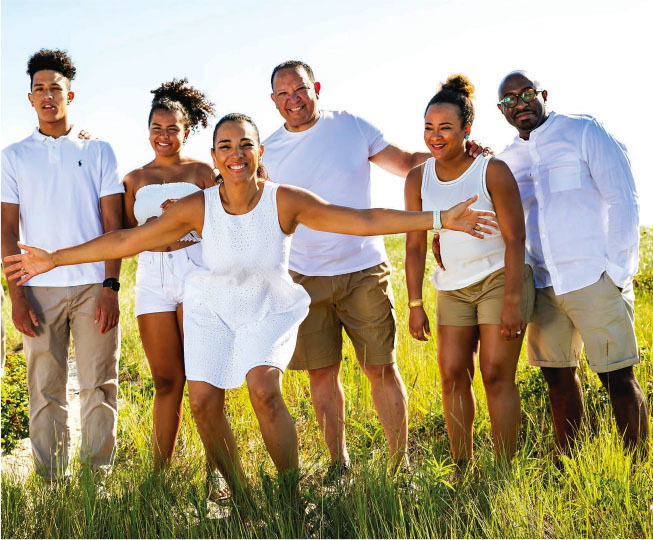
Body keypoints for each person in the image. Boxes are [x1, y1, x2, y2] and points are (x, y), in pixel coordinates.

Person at [5, 113, 496, 497]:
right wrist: (55, 259)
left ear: (260, 152)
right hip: (211, 305)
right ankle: (238, 493)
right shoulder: (199, 205)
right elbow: (127, 240)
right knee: (201, 401)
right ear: (214, 158)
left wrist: (438, 218)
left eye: (245, 145)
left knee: (263, 387)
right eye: (225, 146)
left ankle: (287, 490)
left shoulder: (284, 200)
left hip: (267, 303)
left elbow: (363, 219)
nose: (235, 154)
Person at [263, 60, 488, 475]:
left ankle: (399, 465)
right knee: (321, 374)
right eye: (282, 94)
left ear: (315, 87)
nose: (292, 100)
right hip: (303, 277)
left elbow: (406, 163)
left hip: (363, 269)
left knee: (381, 368)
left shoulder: (349, 125)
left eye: (299, 89)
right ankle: (338, 464)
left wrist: (459, 153)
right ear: (273, 100)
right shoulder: (267, 150)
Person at [496, 70, 648, 452]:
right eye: (510, 99)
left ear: (543, 94)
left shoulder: (583, 131)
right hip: (544, 285)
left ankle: (639, 466)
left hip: (593, 278)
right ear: (502, 110)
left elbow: (623, 198)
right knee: (558, 380)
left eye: (527, 93)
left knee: (617, 378)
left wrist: (616, 273)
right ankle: (572, 466)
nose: (520, 103)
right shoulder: (505, 160)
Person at [0, 49, 123, 481]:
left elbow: (114, 224)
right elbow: (7, 230)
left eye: (56, 87)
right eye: (40, 89)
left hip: (93, 286)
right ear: (29, 98)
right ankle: (51, 484)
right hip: (36, 287)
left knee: (99, 385)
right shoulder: (13, 156)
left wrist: (110, 287)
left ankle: (97, 483)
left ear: (70, 92)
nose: (48, 95)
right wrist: (16, 296)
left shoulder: (99, 151)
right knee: (45, 391)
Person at [405, 75, 533, 465]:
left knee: (495, 375)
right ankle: (462, 466)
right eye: (429, 128)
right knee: (452, 377)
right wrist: (414, 303)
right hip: (452, 289)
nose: (435, 136)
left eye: (445, 127)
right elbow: (414, 246)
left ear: (466, 130)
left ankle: (503, 469)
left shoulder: (492, 170)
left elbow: (516, 240)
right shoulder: (417, 178)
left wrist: (512, 301)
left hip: (500, 280)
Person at [121, 78, 216, 470]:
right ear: (148, 131)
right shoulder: (134, 179)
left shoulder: (203, 171)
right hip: (152, 276)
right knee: (165, 381)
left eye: (172, 129)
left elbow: (224, 222)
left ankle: (217, 471)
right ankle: (159, 474)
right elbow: (126, 234)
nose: (164, 136)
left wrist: (188, 214)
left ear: (186, 131)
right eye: (157, 129)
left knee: (201, 381)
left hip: (196, 267)